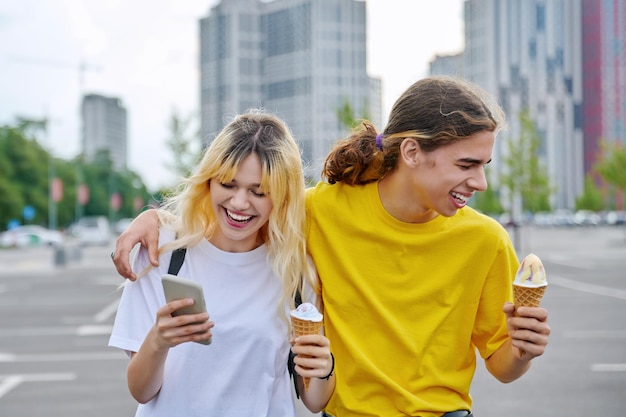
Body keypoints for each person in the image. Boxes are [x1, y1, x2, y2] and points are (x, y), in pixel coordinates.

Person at [112, 76, 550, 417]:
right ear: (413, 152)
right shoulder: (320, 211)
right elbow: (242, 212)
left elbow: (503, 367)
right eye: (467, 164)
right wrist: (156, 218)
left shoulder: (486, 240)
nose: (481, 182)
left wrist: (522, 350)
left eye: (484, 165)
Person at [108, 110, 335, 417]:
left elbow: (314, 400)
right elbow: (141, 390)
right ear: (209, 181)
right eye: (228, 185)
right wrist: (158, 342)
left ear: (281, 198)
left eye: (259, 192)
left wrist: (324, 368)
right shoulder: (162, 251)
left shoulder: (295, 272)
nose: (240, 203)